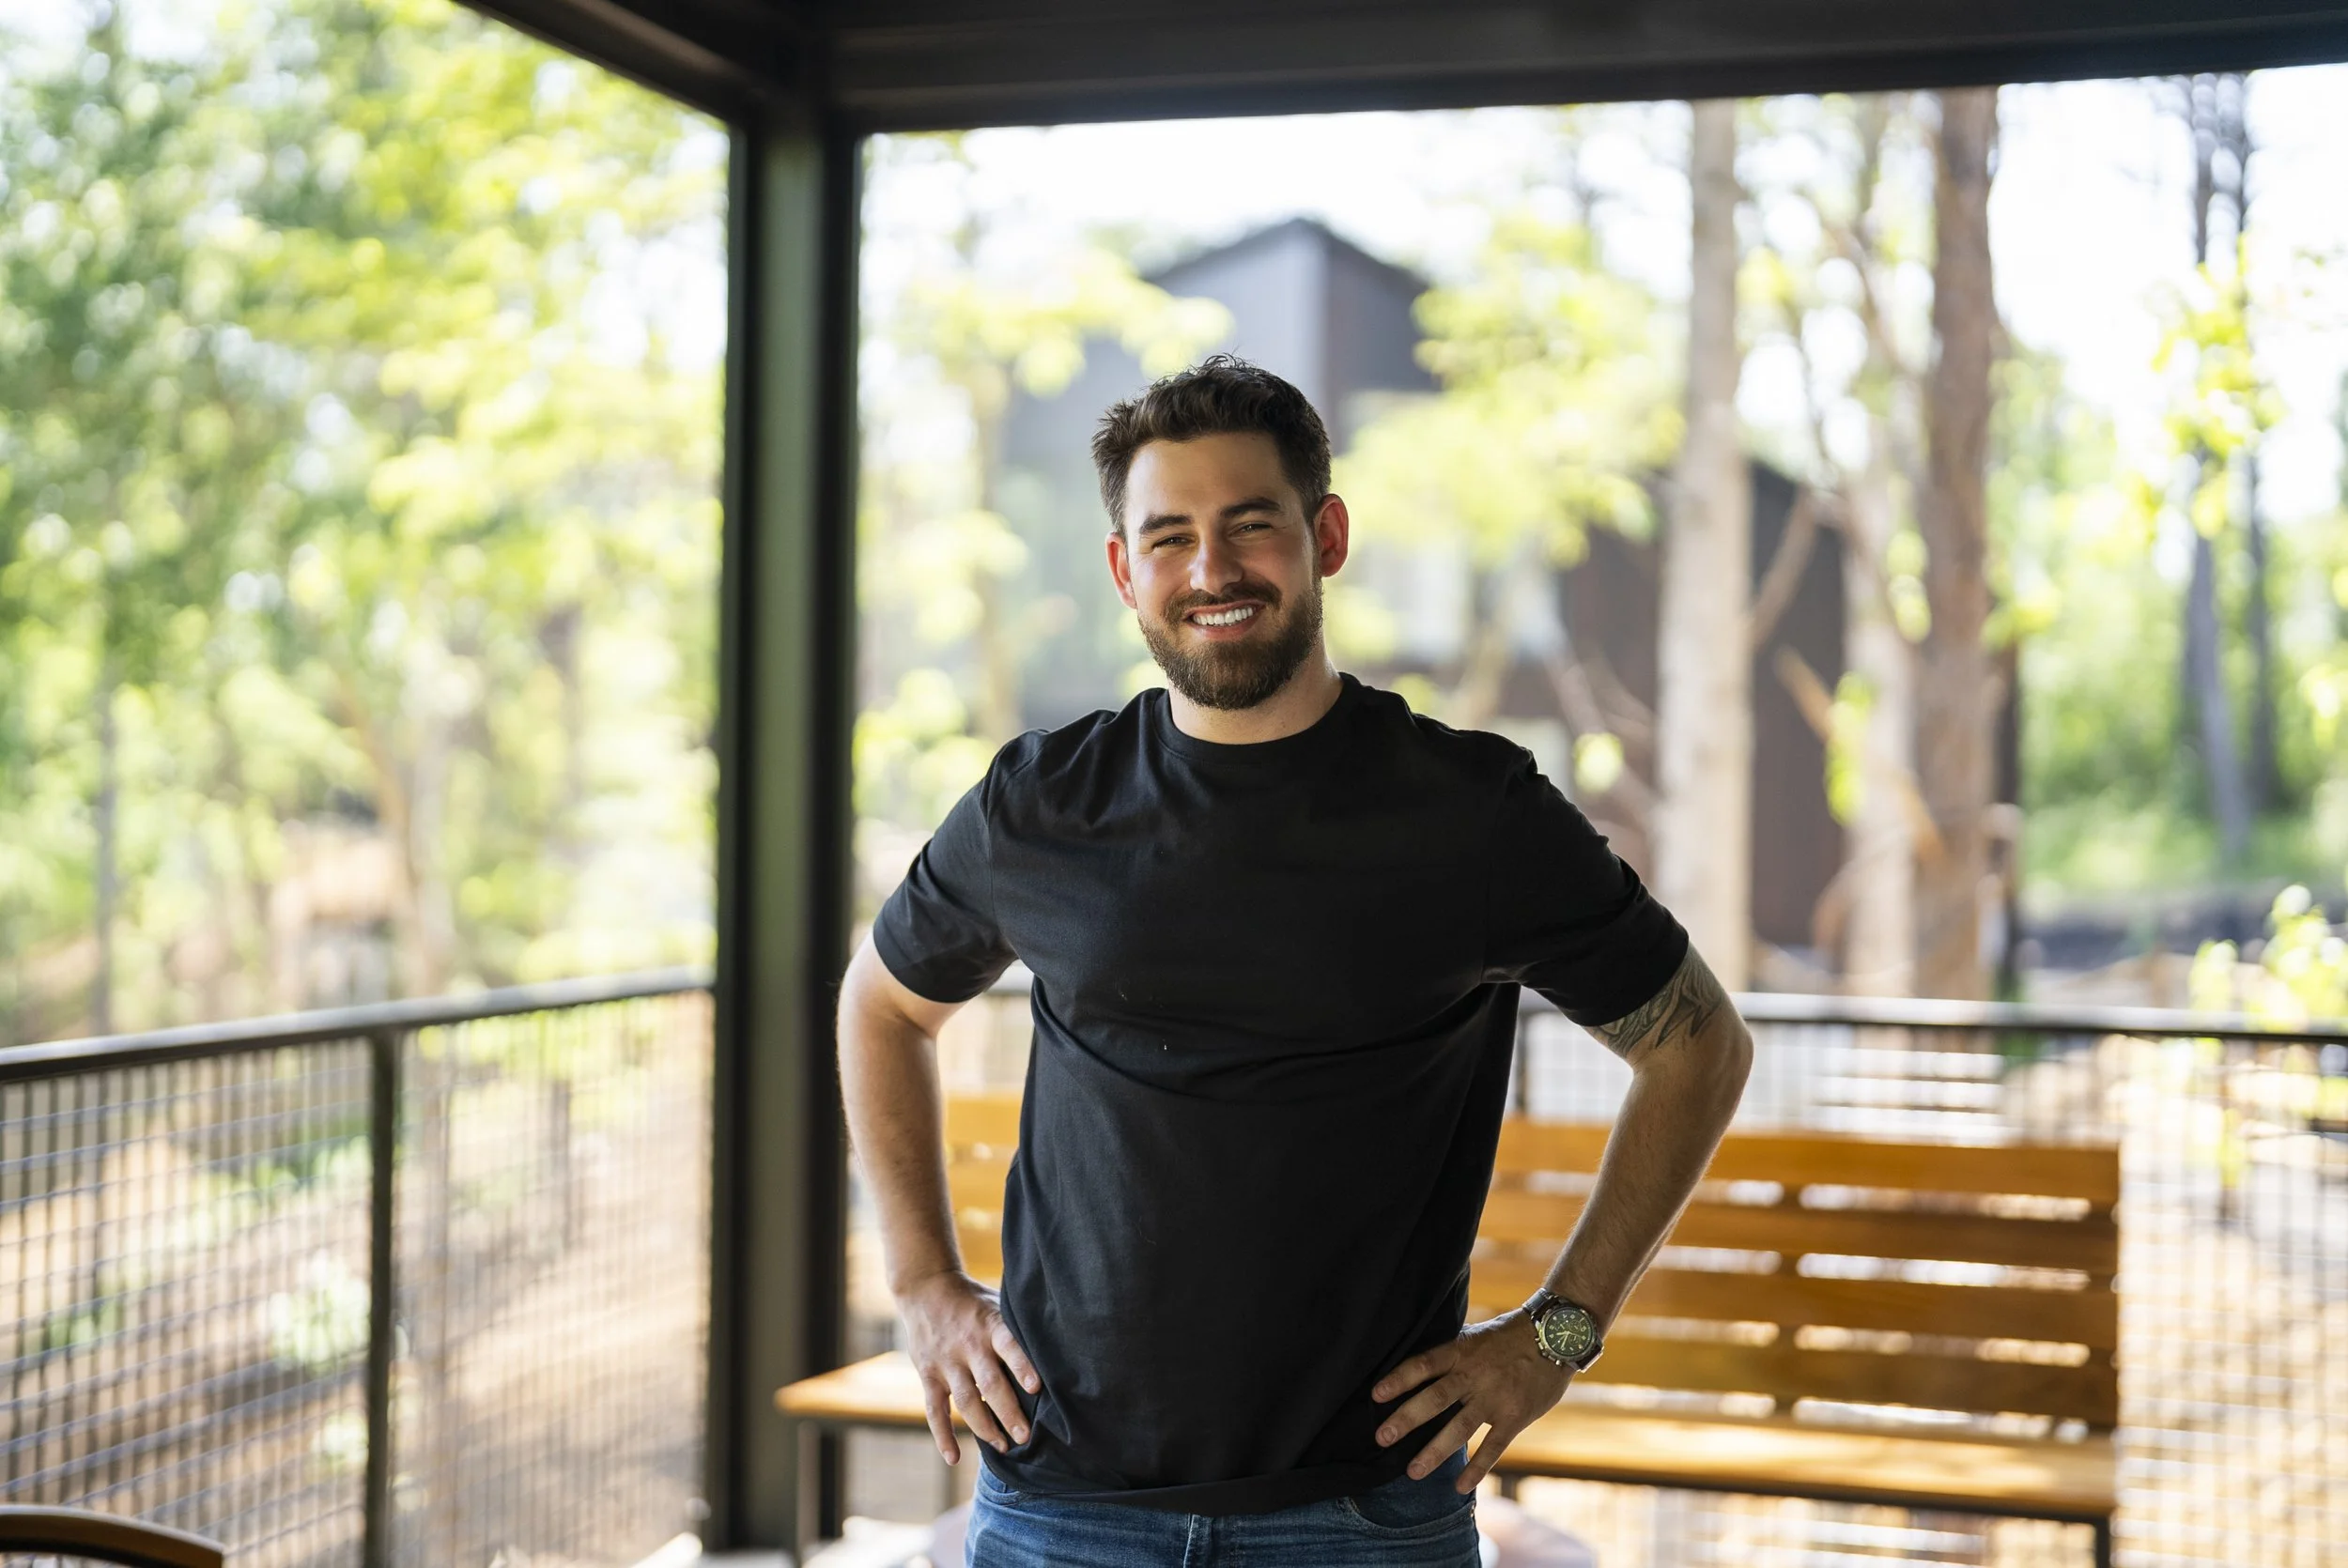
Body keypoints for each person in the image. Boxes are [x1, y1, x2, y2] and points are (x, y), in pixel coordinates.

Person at [837, 356, 1753, 1567]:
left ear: (1324, 534)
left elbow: (1698, 1046)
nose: (1210, 571)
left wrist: (1556, 1338)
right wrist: (923, 1285)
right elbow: (881, 1005)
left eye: (1248, 526)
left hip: (1365, 1514)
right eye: (1168, 538)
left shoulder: (1473, 812)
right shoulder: (1040, 806)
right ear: (1124, 571)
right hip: (1064, 1505)